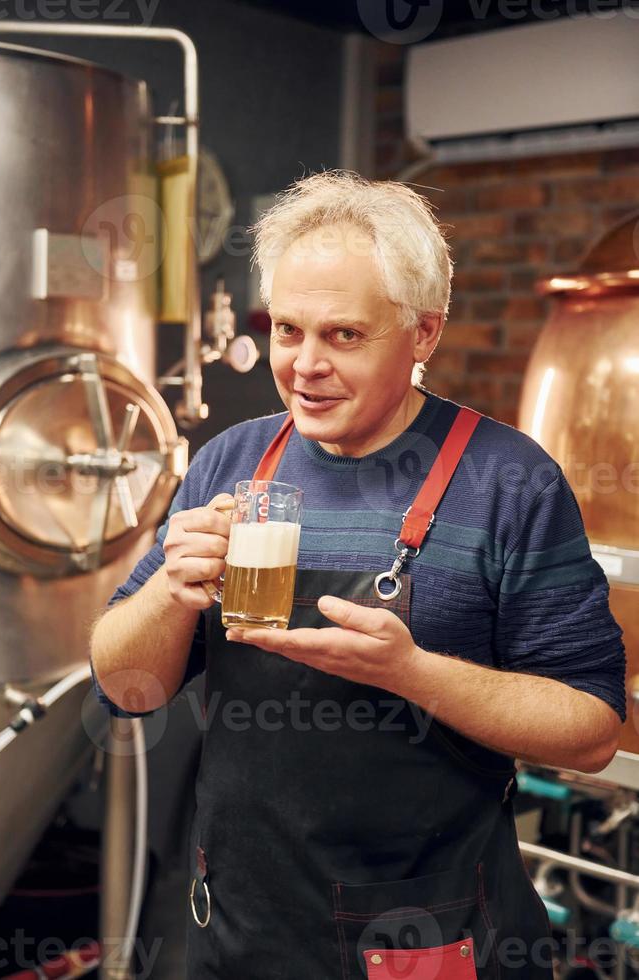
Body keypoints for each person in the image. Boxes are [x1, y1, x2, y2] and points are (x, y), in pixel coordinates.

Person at [91, 170, 626, 980]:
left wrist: (412, 674)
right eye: (287, 331)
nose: (305, 366)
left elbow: (591, 731)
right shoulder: (233, 463)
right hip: (237, 930)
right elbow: (126, 689)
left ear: (423, 334)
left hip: (427, 941)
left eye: (344, 336)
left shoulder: (510, 483)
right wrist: (170, 592)